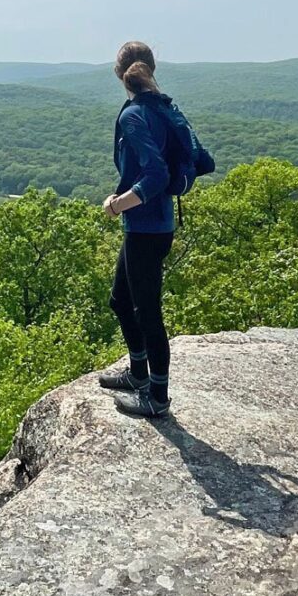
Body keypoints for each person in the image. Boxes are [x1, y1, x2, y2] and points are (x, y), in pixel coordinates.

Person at [99, 41, 177, 418]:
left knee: (147, 311)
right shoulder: (164, 107)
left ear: (119, 74)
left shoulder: (133, 116)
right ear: (151, 69)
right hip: (153, 225)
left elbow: (157, 174)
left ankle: (157, 397)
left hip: (146, 227)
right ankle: (138, 373)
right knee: (120, 299)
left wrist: (117, 204)